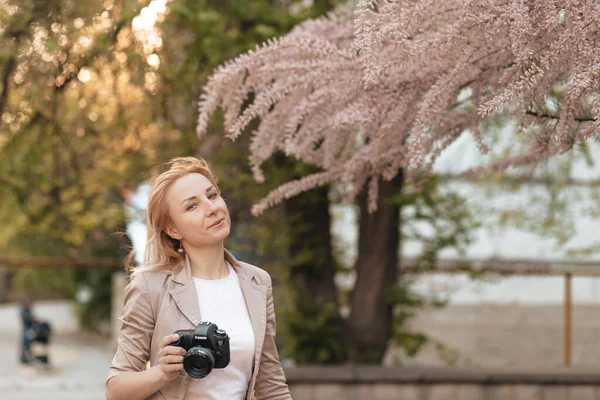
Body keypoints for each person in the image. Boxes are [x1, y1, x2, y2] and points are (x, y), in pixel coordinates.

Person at [106, 157, 292, 400]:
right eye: (191, 206)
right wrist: (162, 372)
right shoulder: (151, 286)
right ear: (173, 230)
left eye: (212, 195)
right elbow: (115, 390)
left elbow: (271, 385)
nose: (212, 208)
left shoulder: (257, 282)